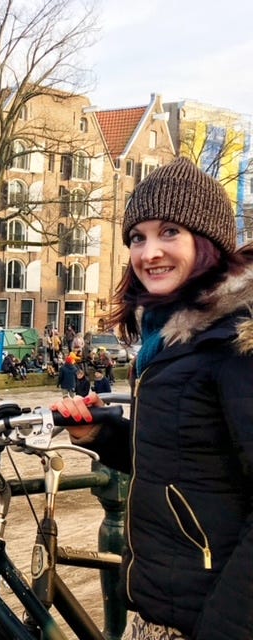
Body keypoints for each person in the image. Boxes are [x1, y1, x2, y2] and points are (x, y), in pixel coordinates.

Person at [51, 158, 253, 640]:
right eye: (137, 237)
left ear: (207, 243)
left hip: (203, 621)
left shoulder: (236, 345)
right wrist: (100, 433)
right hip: (157, 609)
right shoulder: (170, 343)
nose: (149, 252)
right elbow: (184, 461)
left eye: (169, 232)